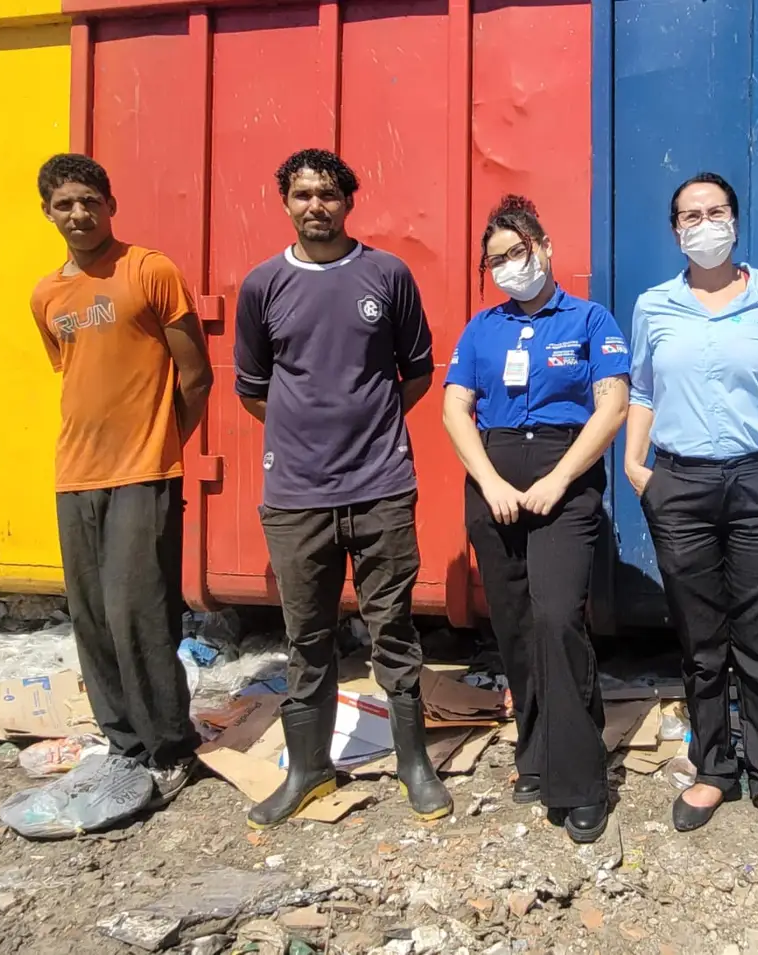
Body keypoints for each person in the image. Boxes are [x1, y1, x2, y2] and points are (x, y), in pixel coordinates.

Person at [233, 148, 452, 828]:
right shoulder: (263, 285)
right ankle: (308, 769)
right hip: (296, 496)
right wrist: (307, 436)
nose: (315, 206)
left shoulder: (387, 275)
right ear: (285, 203)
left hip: (381, 485)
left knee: (394, 629)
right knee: (307, 637)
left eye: (328, 194)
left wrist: (367, 428)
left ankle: (414, 764)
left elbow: (416, 373)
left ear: (349, 202)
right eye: (302, 194)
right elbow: (253, 389)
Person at [626, 173, 758, 847]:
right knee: (700, 637)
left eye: (715, 211)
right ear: (675, 230)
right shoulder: (655, 305)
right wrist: (636, 465)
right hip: (680, 484)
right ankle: (714, 767)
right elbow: (642, 388)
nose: (704, 224)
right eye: (690, 215)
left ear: (736, 222)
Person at [442, 195, 630, 843]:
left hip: (564, 480)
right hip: (493, 480)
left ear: (545, 248)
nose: (508, 266)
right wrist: (490, 481)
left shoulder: (589, 320)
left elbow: (612, 406)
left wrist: (559, 478)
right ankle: (534, 752)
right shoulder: (481, 329)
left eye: (517, 252)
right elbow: (455, 408)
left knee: (556, 618)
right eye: (496, 259)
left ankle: (580, 780)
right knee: (516, 627)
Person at [30, 153, 213, 805]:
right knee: (92, 618)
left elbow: (196, 375)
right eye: (64, 204)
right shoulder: (46, 296)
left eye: (89, 200)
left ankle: (170, 750)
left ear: (110, 205)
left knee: (139, 613)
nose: (78, 214)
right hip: (75, 473)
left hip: (144, 470)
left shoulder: (149, 270)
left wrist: (162, 445)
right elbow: (76, 377)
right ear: (48, 214)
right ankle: (123, 746)